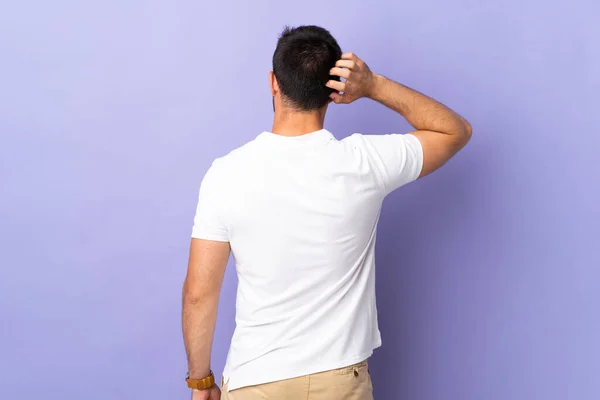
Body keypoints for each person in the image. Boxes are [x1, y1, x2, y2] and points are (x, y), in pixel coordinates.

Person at [182, 25, 471, 400]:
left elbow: (199, 294)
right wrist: (373, 85)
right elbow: (455, 131)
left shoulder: (226, 174)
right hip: (340, 382)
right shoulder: (365, 163)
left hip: (257, 378)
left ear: (273, 83)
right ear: (334, 91)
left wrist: (201, 381)